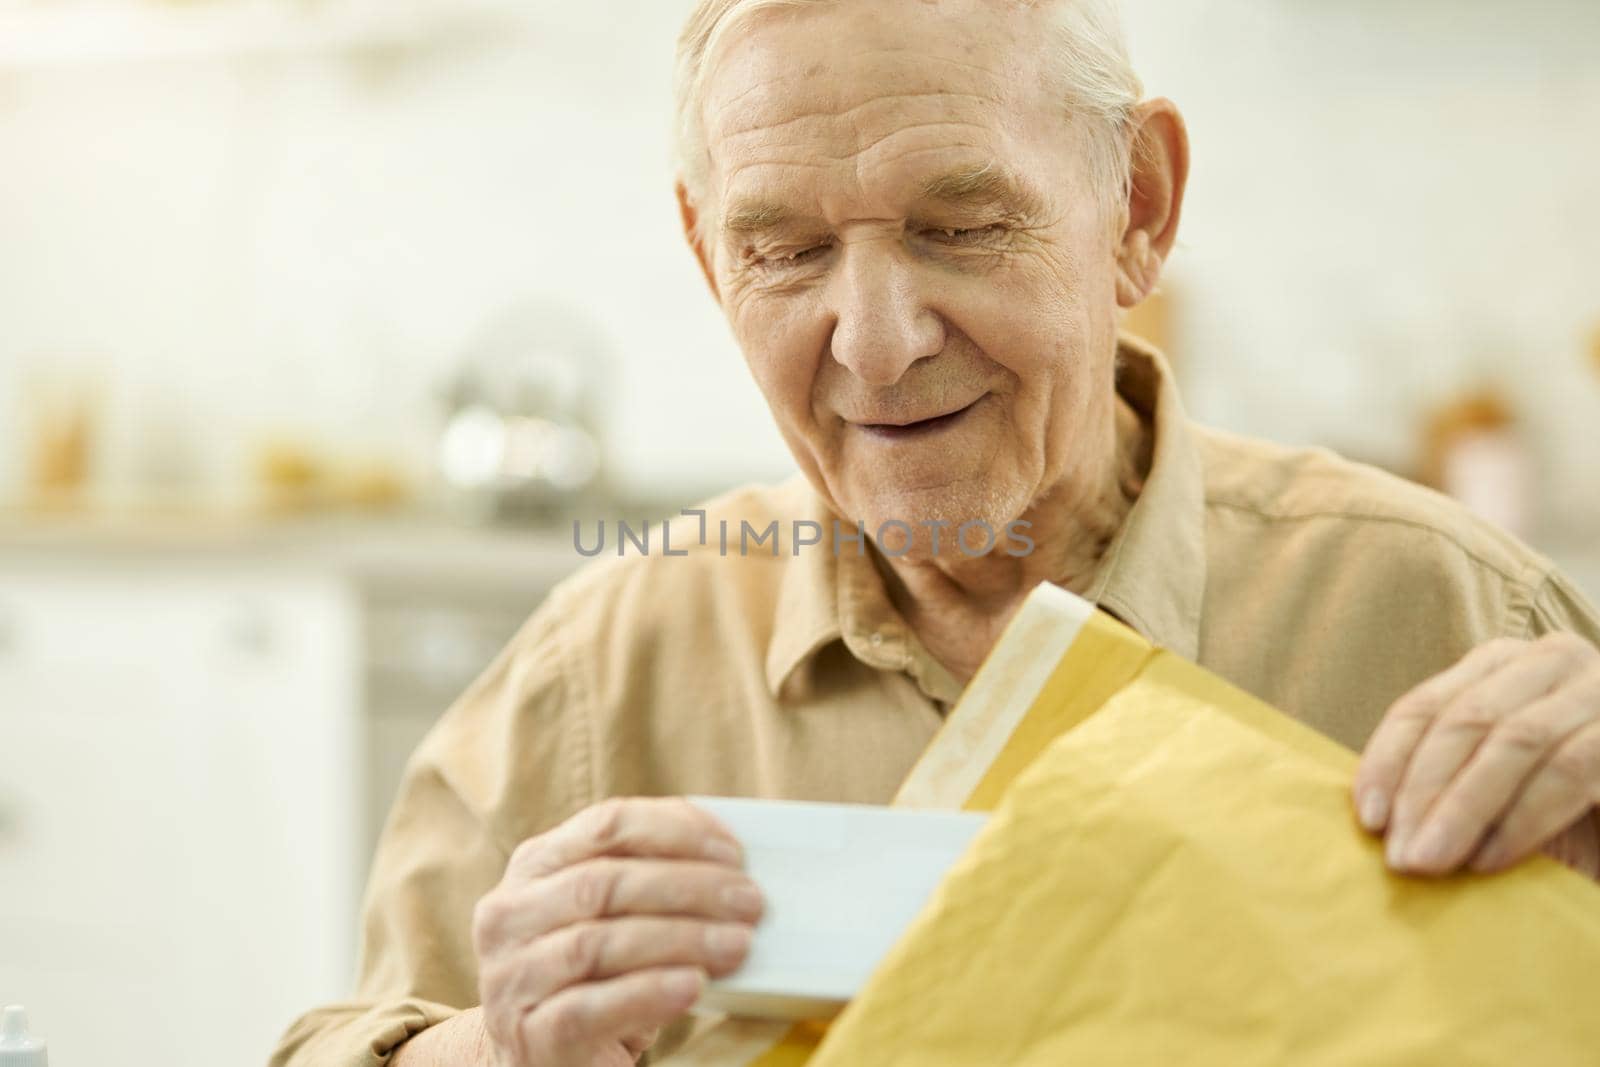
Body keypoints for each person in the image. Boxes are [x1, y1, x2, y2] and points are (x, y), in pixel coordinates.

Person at [271, 1, 1600, 1064]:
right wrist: (487, 1056)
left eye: (959, 228)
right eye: (785, 251)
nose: (878, 342)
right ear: (704, 254)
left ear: (1136, 208)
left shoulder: (1448, 616)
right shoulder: (603, 674)